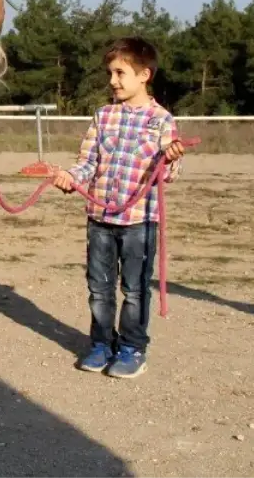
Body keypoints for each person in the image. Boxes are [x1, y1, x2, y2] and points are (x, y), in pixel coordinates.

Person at [53, 36, 186, 379]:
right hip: (99, 217)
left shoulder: (162, 121)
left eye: (119, 73)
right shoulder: (103, 116)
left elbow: (168, 173)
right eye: (110, 73)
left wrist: (171, 159)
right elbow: (88, 162)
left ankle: (132, 348)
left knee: (135, 289)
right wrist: (71, 177)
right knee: (99, 287)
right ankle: (101, 344)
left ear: (144, 75)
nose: (112, 80)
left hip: (139, 222)